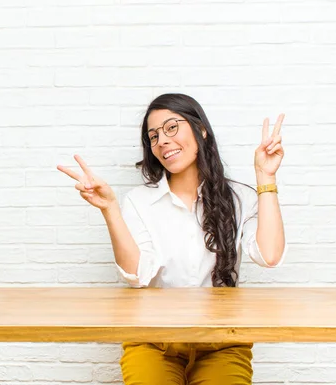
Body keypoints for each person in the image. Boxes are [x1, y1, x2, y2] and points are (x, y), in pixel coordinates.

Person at [57, 93, 287, 385]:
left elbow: (270, 256)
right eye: (153, 136)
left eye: (171, 128)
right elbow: (138, 276)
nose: (162, 141)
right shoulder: (139, 201)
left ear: (201, 130)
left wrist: (265, 177)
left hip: (221, 344)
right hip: (152, 341)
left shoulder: (240, 198)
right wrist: (110, 209)